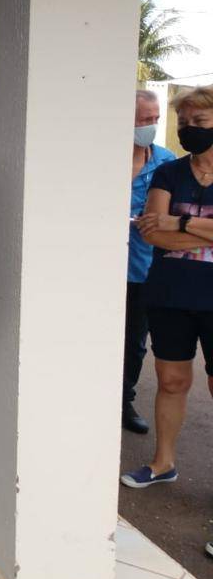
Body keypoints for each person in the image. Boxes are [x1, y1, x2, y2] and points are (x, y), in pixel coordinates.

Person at [122, 85, 213, 495]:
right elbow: (152, 232)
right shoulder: (168, 172)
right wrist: (201, 231)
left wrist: (179, 223)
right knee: (171, 380)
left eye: (199, 121)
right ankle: (163, 463)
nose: (189, 128)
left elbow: (164, 226)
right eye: (184, 122)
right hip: (171, 294)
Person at [122, 90, 176, 434]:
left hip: (144, 269)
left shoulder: (166, 162)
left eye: (155, 119)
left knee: (134, 343)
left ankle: (123, 401)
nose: (151, 126)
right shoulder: (104, 159)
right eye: (144, 119)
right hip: (101, 269)